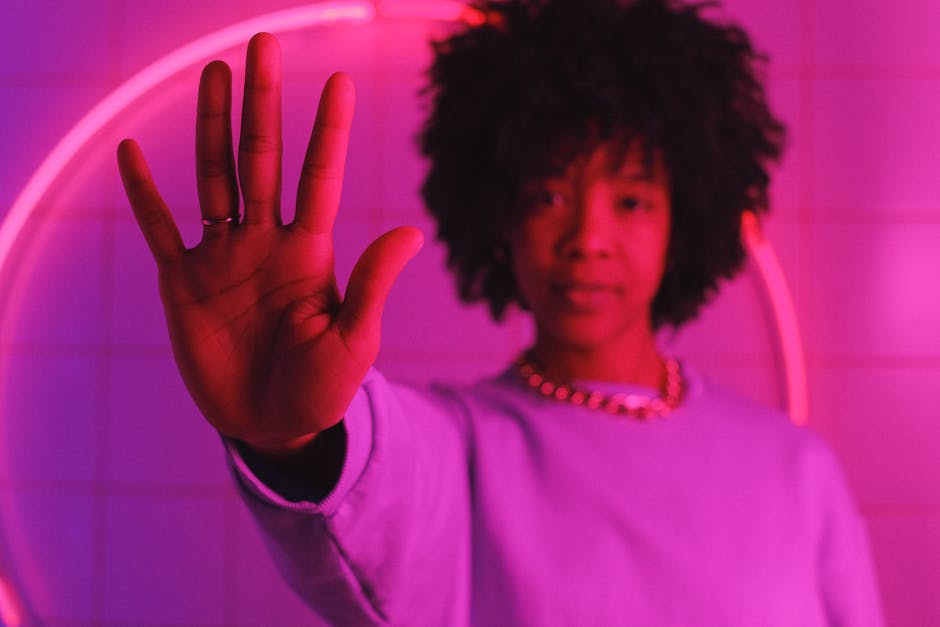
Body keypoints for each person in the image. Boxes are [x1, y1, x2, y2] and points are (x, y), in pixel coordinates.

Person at [117, 0, 883, 624]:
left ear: (685, 223)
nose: (588, 239)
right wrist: (298, 439)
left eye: (630, 199)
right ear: (498, 218)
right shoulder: (461, 449)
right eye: (550, 195)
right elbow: (377, 487)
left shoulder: (797, 468)